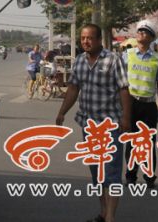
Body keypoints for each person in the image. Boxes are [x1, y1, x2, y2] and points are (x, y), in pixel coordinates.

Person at [56, 24, 130, 222]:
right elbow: (73, 89)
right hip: (89, 126)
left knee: (112, 172)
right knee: (97, 173)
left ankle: (110, 218)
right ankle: (103, 212)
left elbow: (124, 89)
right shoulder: (79, 61)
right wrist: (62, 112)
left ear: (99, 40)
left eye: (89, 38)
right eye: (82, 38)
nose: (85, 42)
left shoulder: (113, 60)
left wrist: (126, 118)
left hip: (111, 125)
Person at [123, 20, 158, 188]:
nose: (141, 33)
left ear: (151, 37)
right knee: (131, 141)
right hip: (131, 103)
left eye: (145, 32)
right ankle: (131, 176)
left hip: (149, 106)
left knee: (149, 142)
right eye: (139, 31)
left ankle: (149, 176)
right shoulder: (128, 54)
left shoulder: (157, 58)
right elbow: (121, 80)